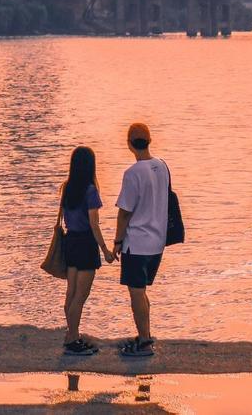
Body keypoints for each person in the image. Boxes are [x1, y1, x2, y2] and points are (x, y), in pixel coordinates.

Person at [112, 122, 169, 358]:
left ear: (129, 144)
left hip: (137, 243)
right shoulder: (162, 166)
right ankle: (144, 334)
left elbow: (124, 211)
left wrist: (116, 241)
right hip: (157, 242)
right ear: (150, 141)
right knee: (142, 291)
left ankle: (144, 342)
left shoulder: (132, 173)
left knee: (136, 293)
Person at [61, 146, 115, 356]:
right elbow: (94, 224)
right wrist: (105, 250)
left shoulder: (67, 187)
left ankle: (71, 334)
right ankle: (73, 339)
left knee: (71, 294)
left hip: (70, 241)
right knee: (80, 297)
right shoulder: (90, 190)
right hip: (85, 243)